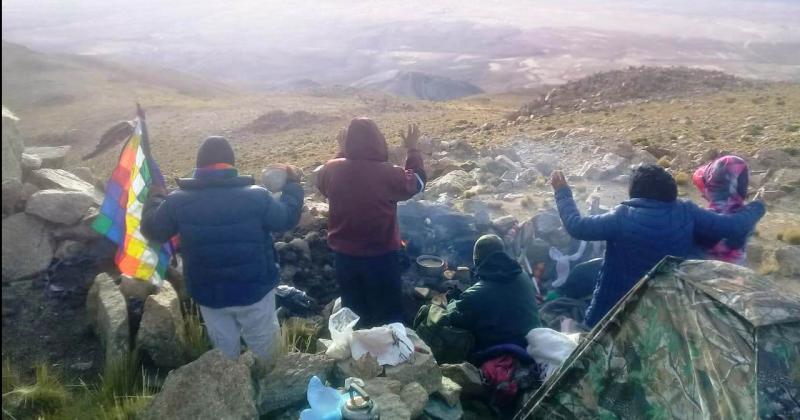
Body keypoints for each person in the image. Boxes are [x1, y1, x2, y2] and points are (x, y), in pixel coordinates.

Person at [141, 136, 303, 363]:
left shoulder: (177, 201)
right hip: (254, 288)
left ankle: (231, 389)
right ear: (232, 165)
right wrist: (293, 186)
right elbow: (286, 218)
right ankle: (270, 386)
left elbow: (153, 231)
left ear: (199, 167)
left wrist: (156, 198)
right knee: (267, 349)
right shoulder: (257, 196)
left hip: (209, 293)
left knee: (224, 352)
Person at [550, 164, 765, 328]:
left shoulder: (622, 217)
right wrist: (757, 206)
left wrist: (562, 192)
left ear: (635, 192)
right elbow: (733, 226)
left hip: (612, 311)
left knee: (591, 341)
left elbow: (577, 226)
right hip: (665, 312)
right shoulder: (687, 211)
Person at [317, 118, 426, 328]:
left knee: (354, 314)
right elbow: (418, 183)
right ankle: (389, 356)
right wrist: (413, 150)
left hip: (344, 259)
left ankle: (358, 356)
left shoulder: (331, 169)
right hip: (381, 259)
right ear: (378, 141)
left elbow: (326, 184)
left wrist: (342, 153)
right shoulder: (389, 173)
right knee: (388, 315)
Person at [439, 234, 540, 353]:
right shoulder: (522, 274)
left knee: (441, 324)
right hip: (533, 339)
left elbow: (453, 317)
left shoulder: (478, 293)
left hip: (505, 349)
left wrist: (452, 299)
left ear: (476, 261)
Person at [692, 155, 752, 264]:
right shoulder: (747, 214)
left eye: (703, 190)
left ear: (711, 186)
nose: (702, 196)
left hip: (710, 273)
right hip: (738, 273)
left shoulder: (706, 217)